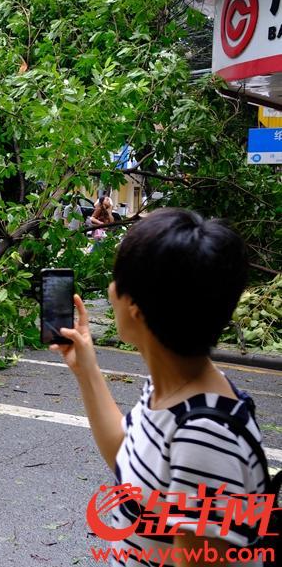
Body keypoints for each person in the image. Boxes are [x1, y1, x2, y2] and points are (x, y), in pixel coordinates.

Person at [52, 209, 265, 564]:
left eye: (116, 280)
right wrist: (85, 368)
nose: (110, 289)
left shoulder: (204, 436)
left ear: (133, 304)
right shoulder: (172, 389)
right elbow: (128, 457)